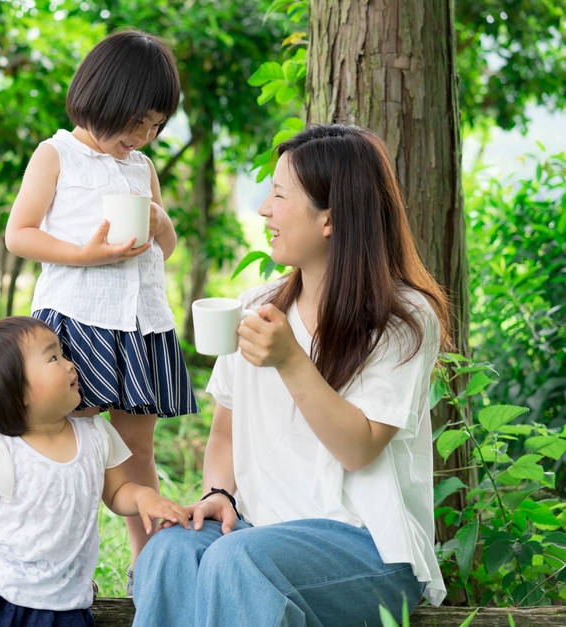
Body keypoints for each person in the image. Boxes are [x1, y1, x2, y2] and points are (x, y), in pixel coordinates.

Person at [132, 124, 451, 626]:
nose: (264, 209)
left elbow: (360, 448)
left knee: (238, 559)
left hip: (371, 551)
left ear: (331, 218)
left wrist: (290, 360)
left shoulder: (403, 319)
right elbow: (224, 433)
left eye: (279, 195)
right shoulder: (256, 306)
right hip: (259, 532)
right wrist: (218, 494)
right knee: (171, 549)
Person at [4, 28, 198, 592]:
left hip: (140, 325)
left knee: (137, 450)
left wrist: (163, 223)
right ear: (101, 98)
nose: (144, 136)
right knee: (70, 446)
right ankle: (63, 567)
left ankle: (149, 566)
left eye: (156, 125)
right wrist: (84, 255)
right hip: (78, 321)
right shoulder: (56, 154)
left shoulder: (142, 167)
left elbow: (162, 251)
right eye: (136, 122)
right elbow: (19, 233)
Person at [0, 316, 189, 627]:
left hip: (60, 601)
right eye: (53, 358)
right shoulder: (4, 448)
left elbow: (117, 492)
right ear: (17, 392)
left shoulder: (96, 434)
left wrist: (143, 497)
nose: (70, 364)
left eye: (63, 354)